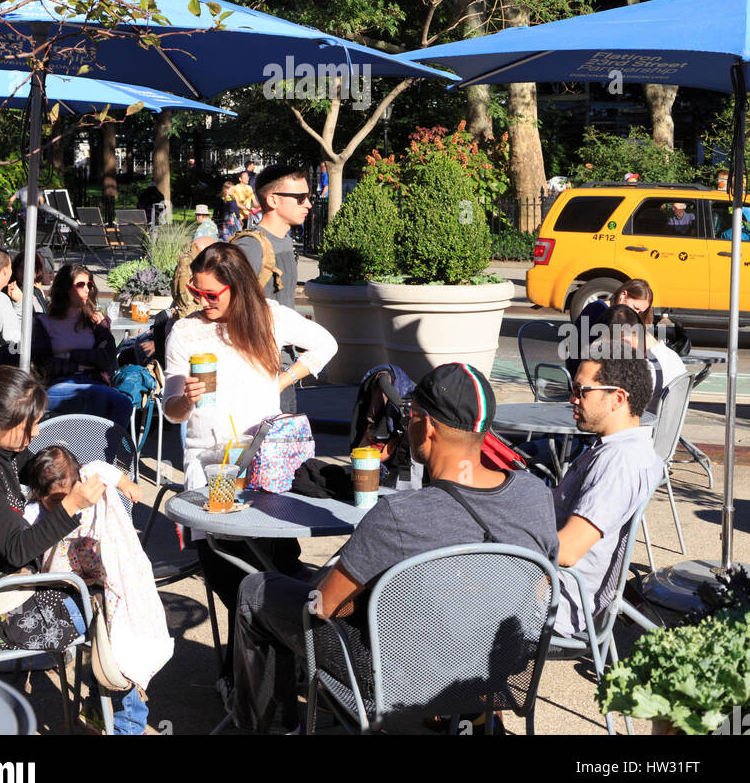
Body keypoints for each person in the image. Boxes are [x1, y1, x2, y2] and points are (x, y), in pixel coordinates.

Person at [230, 363, 560, 734]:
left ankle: (263, 726)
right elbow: (540, 586)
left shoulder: (398, 515)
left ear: (428, 425)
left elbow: (324, 607)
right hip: (491, 670)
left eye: (411, 414)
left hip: (403, 682)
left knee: (255, 591)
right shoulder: (535, 494)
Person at [163, 240, 337, 691]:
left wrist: (284, 378)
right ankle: (259, 672)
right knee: (228, 569)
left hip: (263, 463)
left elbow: (325, 343)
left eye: (211, 294)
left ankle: (263, 672)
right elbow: (172, 412)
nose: (202, 301)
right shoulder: (186, 333)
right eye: (196, 292)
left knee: (273, 560)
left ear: (236, 288)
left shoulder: (269, 318)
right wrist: (184, 398)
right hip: (212, 465)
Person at [0, 370, 147, 735]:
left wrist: (87, 471)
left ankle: (109, 714)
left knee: (103, 592)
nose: (35, 434)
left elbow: (42, 466)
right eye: (27, 426)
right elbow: (17, 550)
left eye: (37, 422)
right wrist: (70, 506)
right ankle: (125, 725)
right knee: (113, 606)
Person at [22, 446, 174, 716]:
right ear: (39, 494)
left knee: (122, 629)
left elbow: (104, 468)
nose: (63, 505)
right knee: (111, 640)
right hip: (69, 586)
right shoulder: (36, 512)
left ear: (79, 480)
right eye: (53, 502)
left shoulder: (89, 479)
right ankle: (108, 714)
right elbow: (24, 537)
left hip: (104, 573)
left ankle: (103, 710)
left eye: (67, 497)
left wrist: (126, 484)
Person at [552, 352, 663, 637]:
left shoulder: (619, 462)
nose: (572, 399)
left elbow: (567, 550)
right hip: (557, 588)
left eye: (581, 391)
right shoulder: (623, 449)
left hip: (556, 603)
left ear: (618, 399)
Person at [233, 163, 313, 413]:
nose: (308, 204)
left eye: (308, 197)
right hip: (259, 370)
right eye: (300, 198)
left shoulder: (285, 241)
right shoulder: (252, 247)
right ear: (273, 200)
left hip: (282, 367)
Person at [31, 265, 132, 428]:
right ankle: (90, 450)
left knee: (124, 403)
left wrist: (71, 355)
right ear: (65, 288)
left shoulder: (96, 321)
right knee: (92, 395)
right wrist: (83, 364)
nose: (86, 289)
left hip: (94, 382)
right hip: (59, 384)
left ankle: (108, 452)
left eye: (89, 284)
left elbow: (107, 358)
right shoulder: (44, 322)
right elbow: (44, 364)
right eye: (80, 285)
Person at [591, 304, 687, 410]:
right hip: (664, 424)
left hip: (642, 424)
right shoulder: (671, 356)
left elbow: (615, 408)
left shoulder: (646, 369)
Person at [7, 250, 53, 323]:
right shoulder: (12, 292)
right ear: (15, 270)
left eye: (30, 268)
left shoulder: (37, 291)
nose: (25, 272)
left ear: (37, 272)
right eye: (21, 268)